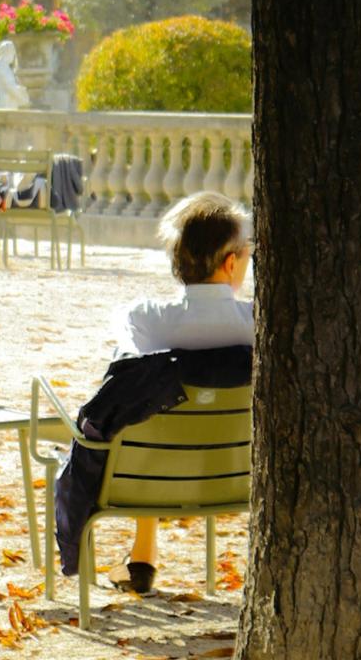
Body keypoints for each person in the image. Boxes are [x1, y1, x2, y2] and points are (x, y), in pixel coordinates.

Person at [103, 192, 255, 595]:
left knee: (150, 404)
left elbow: (123, 377)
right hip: (235, 475)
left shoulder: (142, 319)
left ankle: (143, 557)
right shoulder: (260, 323)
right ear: (230, 263)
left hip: (154, 473)